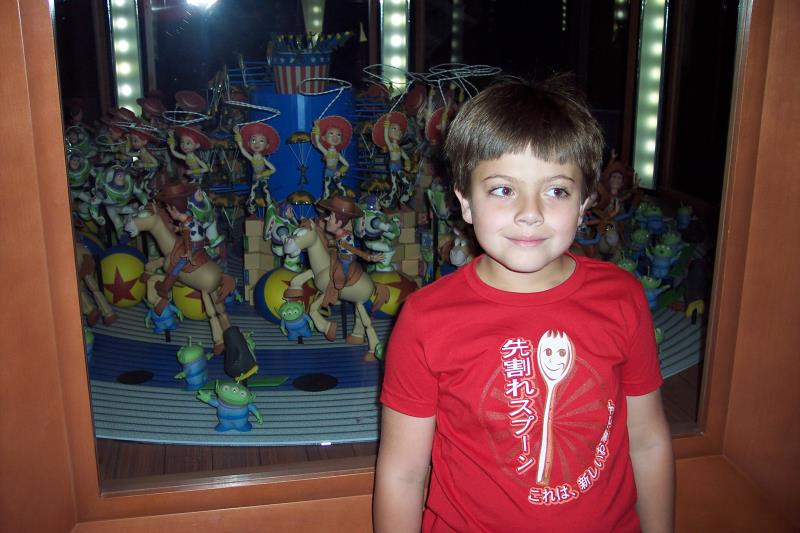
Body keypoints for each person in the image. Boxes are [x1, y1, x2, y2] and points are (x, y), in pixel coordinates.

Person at [373, 78, 674, 533]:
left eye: (556, 191)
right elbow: (402, 473)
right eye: (502, 189)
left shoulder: (623, 298)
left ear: (584, 203)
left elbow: (648, 442)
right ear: (465, 203)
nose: (530, 212)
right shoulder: (424, 319)